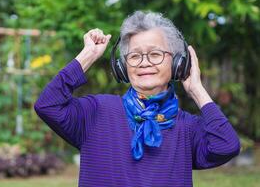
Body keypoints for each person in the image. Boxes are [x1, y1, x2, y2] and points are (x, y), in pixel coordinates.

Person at [34, 11, 240, 187]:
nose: (144, 62)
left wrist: (196, 89)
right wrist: (88, 55)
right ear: (123, 67)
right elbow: (48, 105)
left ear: (178, 63)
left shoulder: (187, 128)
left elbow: (226, 146)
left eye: (155, 54)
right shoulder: (96, 112)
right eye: (134, 56)